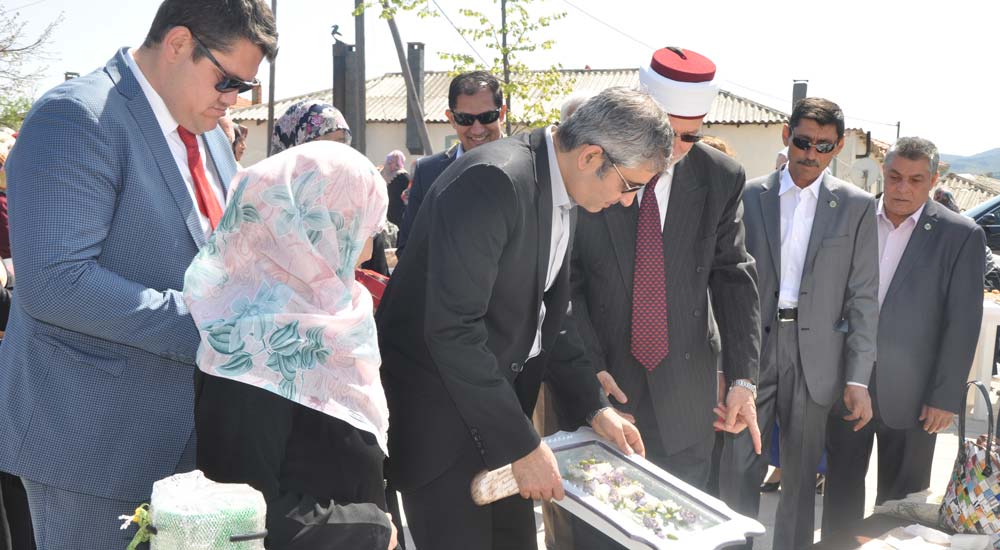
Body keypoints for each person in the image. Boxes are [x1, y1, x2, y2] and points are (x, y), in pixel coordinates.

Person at [0, 1, 278, 547]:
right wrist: (216, 330)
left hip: (197, 443)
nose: (233, 99)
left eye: (244, 87)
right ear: (178, 44)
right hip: (92, 450)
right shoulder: (77, 116)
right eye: (228, 81)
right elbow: (55, 283)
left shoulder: (209, 132)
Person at [377, 87, 669, 550]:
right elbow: (452, 330)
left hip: (499, 419)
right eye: (630, 185)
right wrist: (522, 444)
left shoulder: (561, 185)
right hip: (444, 430)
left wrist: (595, 407)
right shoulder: (493, 180)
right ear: (591, 156)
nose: (628, 200)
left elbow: (552, 313)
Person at [563, 48, 762, 550]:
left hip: (686, 402)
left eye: (687, 137)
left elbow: (733, 276)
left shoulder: (720, 177)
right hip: (605, 391)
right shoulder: (593, 165)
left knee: (679, 535)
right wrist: (587, 368)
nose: (671, 150)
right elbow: (567, 281)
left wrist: (743, 379)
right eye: (663, 133)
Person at [186, 141, 397, 550]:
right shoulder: (251, 350)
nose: (369, 245)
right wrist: (371, 529)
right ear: (313, 228)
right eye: (363, 224)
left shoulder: (335, 318)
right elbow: (240, 517)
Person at [721, 97, 879, 550]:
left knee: (801, 475)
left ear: (839, 146)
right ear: (786, 135)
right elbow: (723, 280)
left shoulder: (856, 206)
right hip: (752, 348)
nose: (811, 154)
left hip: (817, 358)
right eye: (804, 142)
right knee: (737, 465)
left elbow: (863, 296)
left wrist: (858, 378)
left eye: (824, 146)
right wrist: (722, 364)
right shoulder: (748, 195)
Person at [821, 138, 985, 544]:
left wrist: (944, 397)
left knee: (898, 510)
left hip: (917, 399)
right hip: (850, 383)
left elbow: (963, 323)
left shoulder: (960, 235)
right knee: (840, 494)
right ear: (883, 171)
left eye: (915, 180)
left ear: (934, 179)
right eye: (894, 177)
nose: (902, 188)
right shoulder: (854, 216)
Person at [396, 70, 506, 252]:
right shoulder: (428, 173)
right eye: (465, 119)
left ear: (502, 114)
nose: (477, 129)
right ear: (452, 119)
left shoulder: (532, 167)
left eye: (487, 117)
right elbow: (409, 250)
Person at [271, 100, 351, 154]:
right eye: (325, 142)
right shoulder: (272, 174)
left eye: (341, 141)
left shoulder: (349, 173)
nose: (334, 150)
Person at [381, 150, 409, 226]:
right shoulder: (383, 174)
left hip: (396, 214)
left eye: (392, 162)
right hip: (386, 212)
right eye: (389, 162)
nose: (389, 164)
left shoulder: (403, 176)